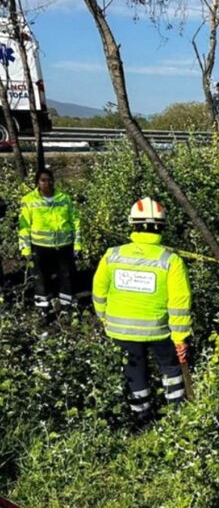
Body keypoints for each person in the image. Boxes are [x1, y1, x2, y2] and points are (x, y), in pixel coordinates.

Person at [92, 198, 191, 428]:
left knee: (134, 373)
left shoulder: (112, 255)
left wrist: (105, 318)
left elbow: (99, 291)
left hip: (121, 331)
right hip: (159, 331)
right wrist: (180, 338)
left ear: (132, 225)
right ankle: (177, 416)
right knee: (170, 369)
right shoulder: (170, 261)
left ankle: (142, 420)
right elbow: (179, 303)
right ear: (161, 227)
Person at [18, 168, 81, 311]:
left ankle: (66, 308)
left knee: (66, 277)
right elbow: (24, 226)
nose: (47, 183)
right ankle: (43, 309)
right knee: (41, 279)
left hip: (64, 245)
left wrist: (78, 244)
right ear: (37, 182)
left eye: (50, 180)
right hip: (40, 246)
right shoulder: (29, 200)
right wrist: (25, 248)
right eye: (43, 180)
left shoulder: (64, 198)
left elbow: (75, 222)